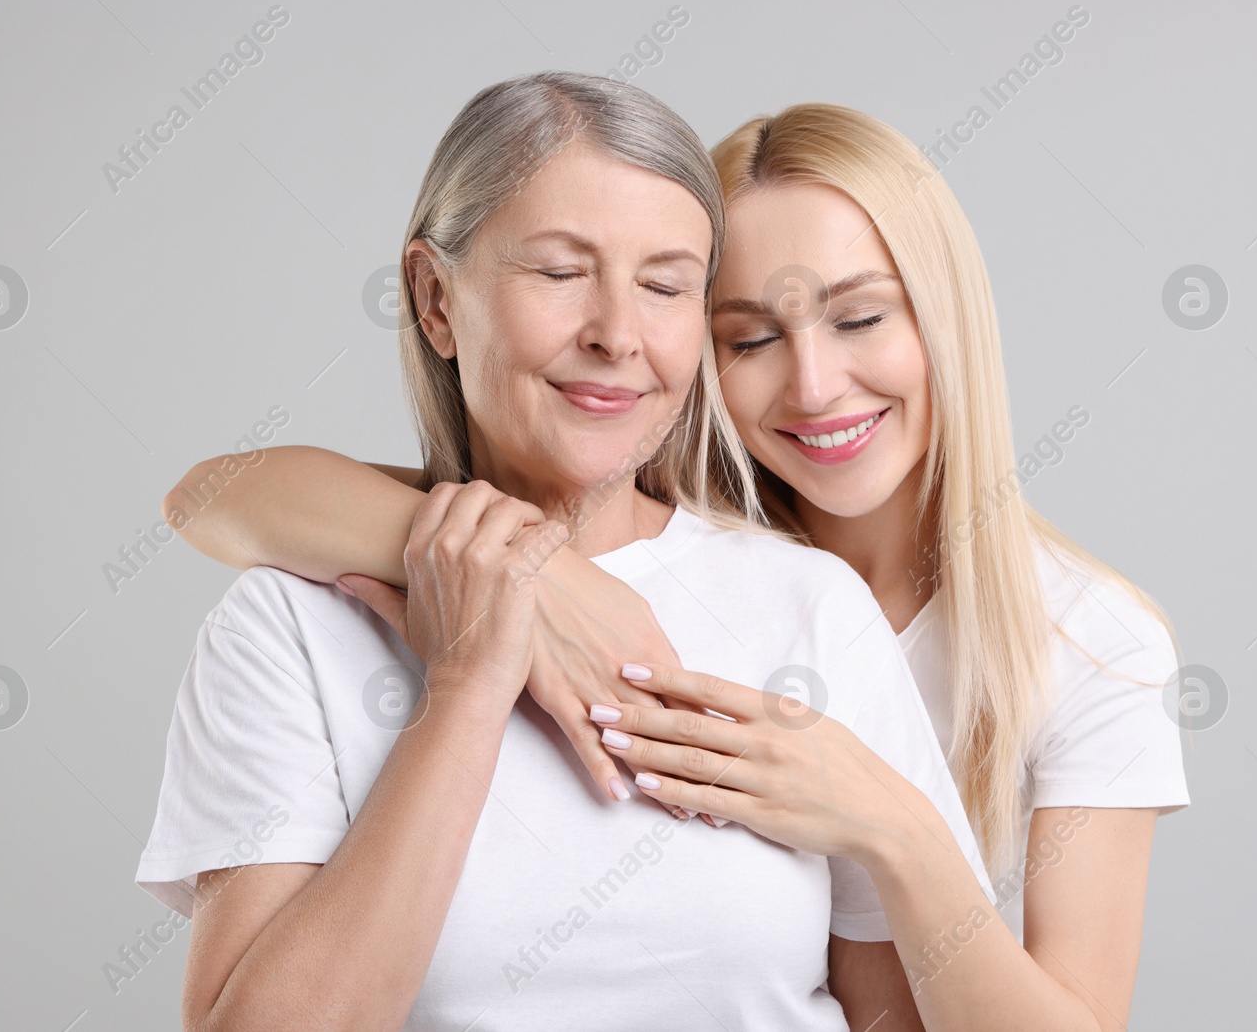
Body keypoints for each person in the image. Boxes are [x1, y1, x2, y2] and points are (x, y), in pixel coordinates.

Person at [164, 102, 1190, 1030]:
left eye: (661, 285)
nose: (816, 384)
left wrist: (896, 824)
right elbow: (226, 493)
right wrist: (520, 608)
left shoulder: (883, 615)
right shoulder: (293, 615)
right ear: (437, 300)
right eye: (746, 335)